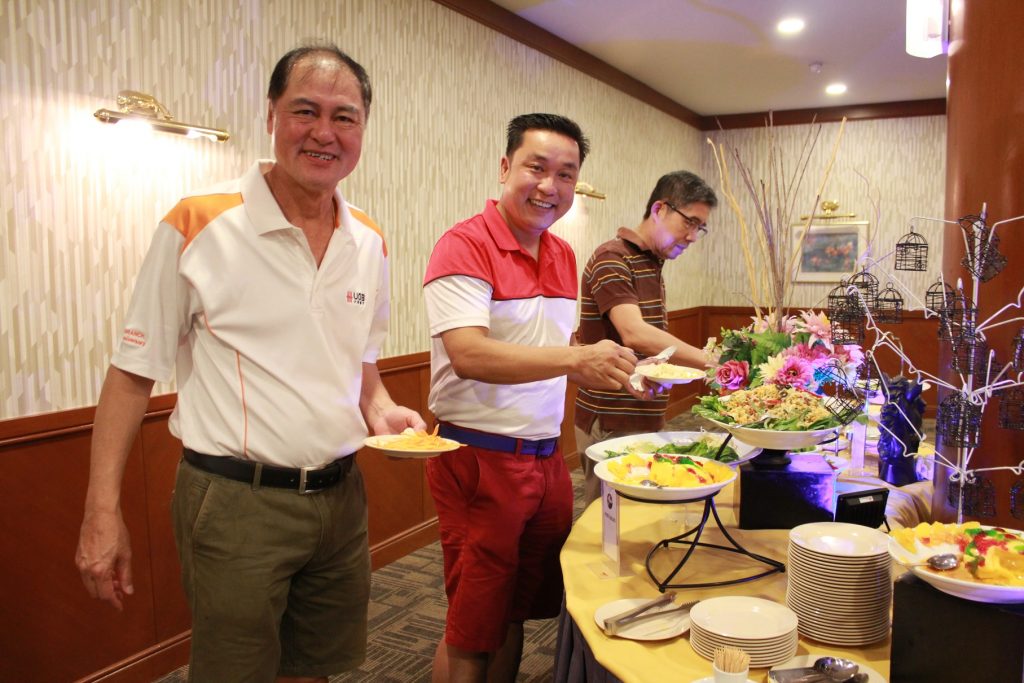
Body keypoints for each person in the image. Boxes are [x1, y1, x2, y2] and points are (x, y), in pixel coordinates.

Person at [74, 45, 426, 683]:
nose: (324, 133)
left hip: (341, 497)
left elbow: (361, 361)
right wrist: (102, 511)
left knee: (315, 668)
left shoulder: (368, 240)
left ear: (363, 129)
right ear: (271, 115)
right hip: (236, 500)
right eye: (305, 111)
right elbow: (131, 374)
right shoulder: (199, 223)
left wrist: (382, 411)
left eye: (344, 117)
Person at [422, 113, 638, 682]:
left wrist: (610, 369)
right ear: (504, 167)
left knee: (515, 611)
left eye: (566, 175)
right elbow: (469, 354)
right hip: (479, 457)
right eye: (536, 168)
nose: (550, 186)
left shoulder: (562, 253)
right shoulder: (464, 245)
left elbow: (550, 348)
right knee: (472, 626)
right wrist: (575, 361)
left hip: (545, 458)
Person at [574, 171, 718, 503]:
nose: (693, 237)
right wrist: (714, 362)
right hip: (610, 417)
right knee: (608, 517)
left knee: (641, 511)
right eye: (690, 222)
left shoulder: (650, 262)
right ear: (659, 209)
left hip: (642, 412)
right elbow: (634, 333)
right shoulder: (612, 258)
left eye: (700, 228)